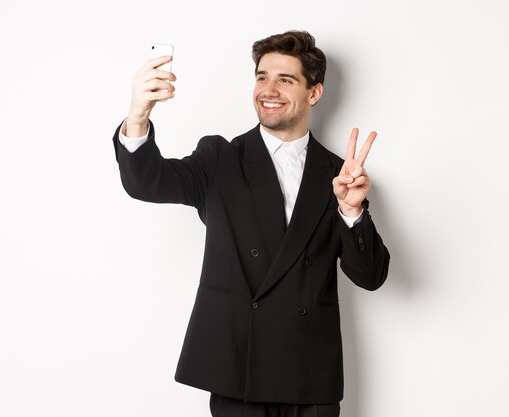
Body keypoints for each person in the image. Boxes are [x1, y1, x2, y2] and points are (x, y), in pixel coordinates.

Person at [112, 30, 390, 417]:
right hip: (240, 372)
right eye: (261, 76)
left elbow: (371, 275)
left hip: (310, 377)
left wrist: (351, 212)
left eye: (285, 79)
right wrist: (138, 115)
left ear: (314, 93)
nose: (268, 89)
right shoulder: (220, 159)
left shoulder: (338, 175)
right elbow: (146, 182)